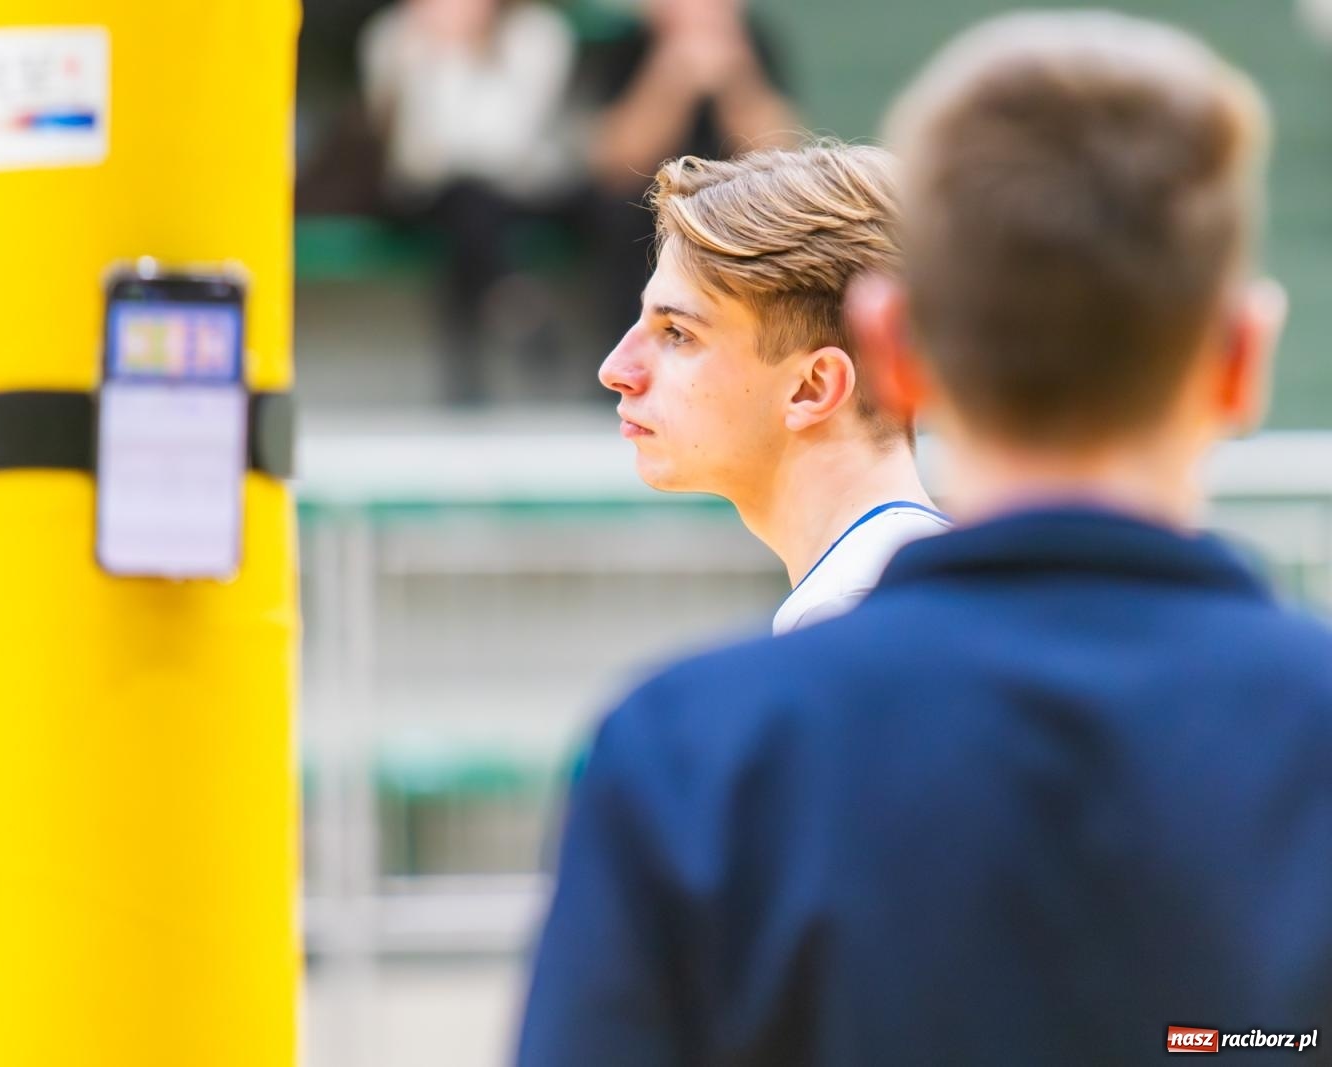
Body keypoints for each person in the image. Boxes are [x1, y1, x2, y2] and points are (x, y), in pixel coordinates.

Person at [520, 12, 1332, 1066]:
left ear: (889, 352)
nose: (617, 367)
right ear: (1240, 360)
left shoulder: (692, 754)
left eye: (675, 330)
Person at [600, 142, 946, 634]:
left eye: (678, 333)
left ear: (813, 387)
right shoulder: (917, 596)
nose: (615, 369)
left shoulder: (850, 626)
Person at [358, 0, 580, 404]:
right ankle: (516, 307)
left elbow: (509, 144)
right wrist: (436, 56)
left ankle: (483, 350)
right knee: (466, 207)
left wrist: (467, 53)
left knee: (475, 211)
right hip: (426, 195)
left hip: (516, 189)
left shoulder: (537, 35)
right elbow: (416, 157)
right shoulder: (393, 36)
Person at [582, 0, 802, 343]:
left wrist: (736, 77)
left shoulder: (754, 42)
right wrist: (673, 76)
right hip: (645, 217)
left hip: (735, 210)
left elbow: (783, 154)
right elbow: (617, 164)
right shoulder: (625, 47)